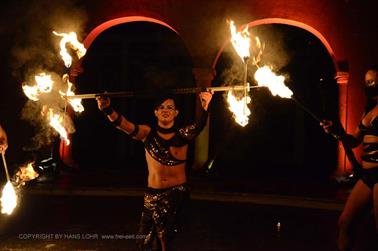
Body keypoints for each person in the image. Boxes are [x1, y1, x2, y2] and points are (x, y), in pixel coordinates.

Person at [96, 91, 212, 251]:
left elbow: (199, 124)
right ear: (155, 112)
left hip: (175, 194)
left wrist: (205, 104)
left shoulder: (183, 135)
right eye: (161, 107)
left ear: (176, 113)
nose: (165, 110)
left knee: (166, 237)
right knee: (146, 241)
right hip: (152, 195)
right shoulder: (147, 133)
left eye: (170, 107)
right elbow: (125, 125)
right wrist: (106, 109)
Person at [320, 66, 378, 251]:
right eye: (367, 81)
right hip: (368, 176)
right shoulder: (368, 111)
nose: (369, 85)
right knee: (345, 222)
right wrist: (337, 131)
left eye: (373, 81)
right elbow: (354, 141)